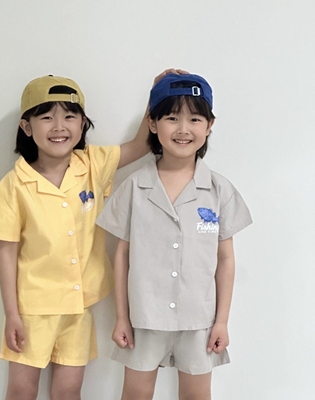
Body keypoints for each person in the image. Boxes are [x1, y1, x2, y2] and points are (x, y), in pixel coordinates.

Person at [0, 71, 182, 400]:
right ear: (27, 127)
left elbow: (142, 144)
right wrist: (12, 314)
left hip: (79, 307)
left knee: (69, 390)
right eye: (46, 117)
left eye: (70, 116)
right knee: (21, 390)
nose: (59, 126)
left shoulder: (92, 165)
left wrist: (156, 92)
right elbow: (6, 252)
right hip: (33, 309)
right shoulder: (14, 186)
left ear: (83, 124)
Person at [96, 73, 253, 400]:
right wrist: (122, 317)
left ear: (209, 126)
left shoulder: (219, 190)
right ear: (153, 124)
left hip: (199, 320)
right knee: (135, 394)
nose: (183, 129)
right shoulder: (134, 187)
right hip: (144, 317)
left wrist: (221, 321)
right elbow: (121, 256)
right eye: (171, 118)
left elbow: (226, 260)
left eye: (194, 119)